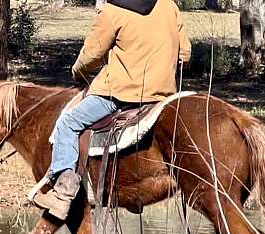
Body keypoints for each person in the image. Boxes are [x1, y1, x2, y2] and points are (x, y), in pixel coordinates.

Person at [33, 0, 192, 220]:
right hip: (163, 95)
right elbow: (185, 55)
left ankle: (62, 194)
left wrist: (77, 72)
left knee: (68, 123)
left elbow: (90, 56)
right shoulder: (168, 5)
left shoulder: (113, 11)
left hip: (119, 95)